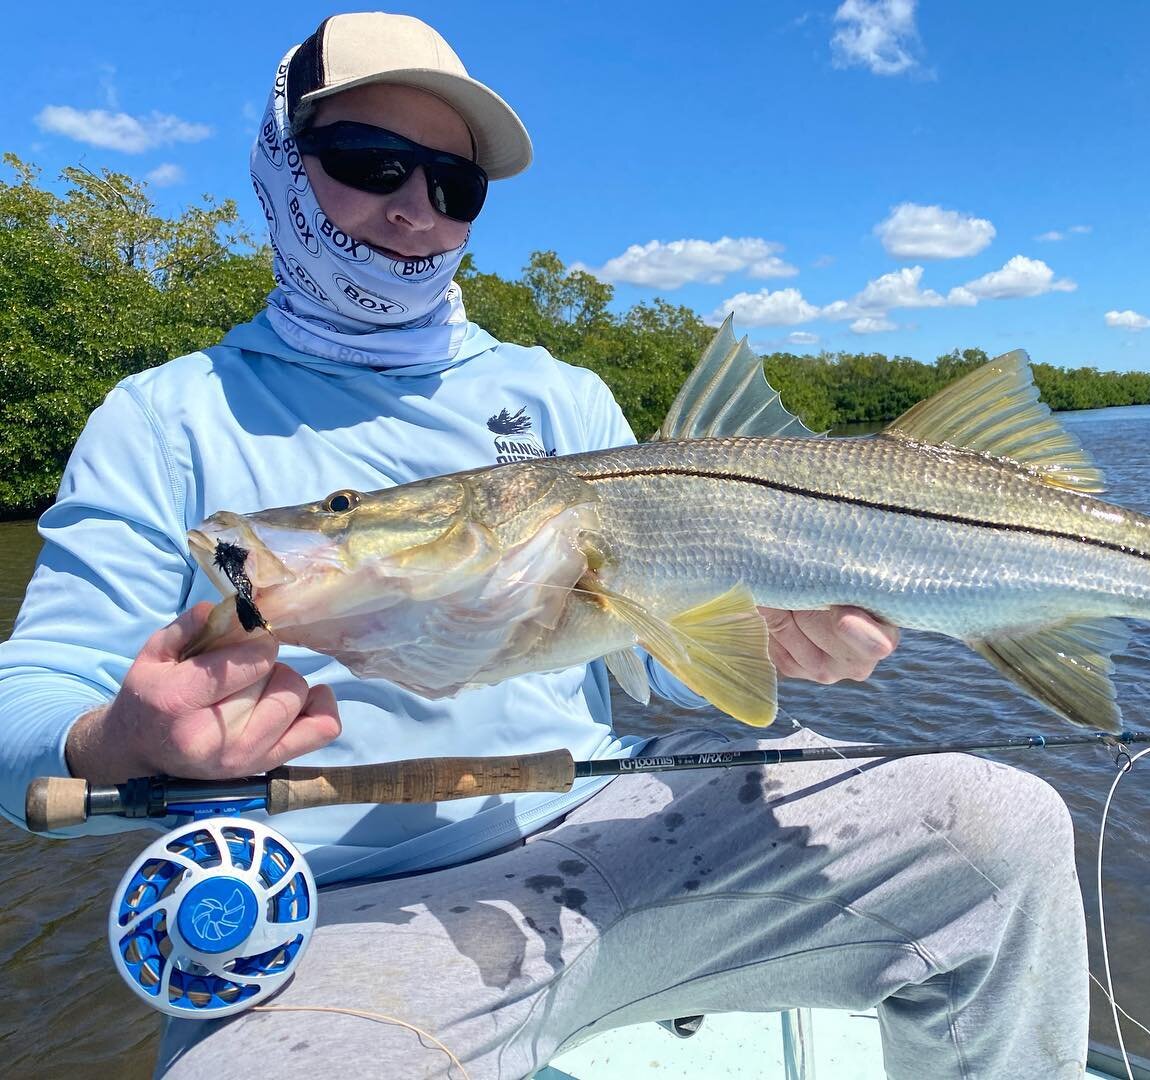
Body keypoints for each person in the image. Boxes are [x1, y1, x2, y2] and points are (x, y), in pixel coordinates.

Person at [0, 12, 1088, 1078]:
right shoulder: (165, 419)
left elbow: (653, 655)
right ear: (279, 163)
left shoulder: (558, 395)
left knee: (999, 828)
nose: (415, 210)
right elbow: (25, 709)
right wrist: (119, 742)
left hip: (621, 826)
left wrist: (778, 637)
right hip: (343, 908)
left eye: (453, 184)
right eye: (370, 161)